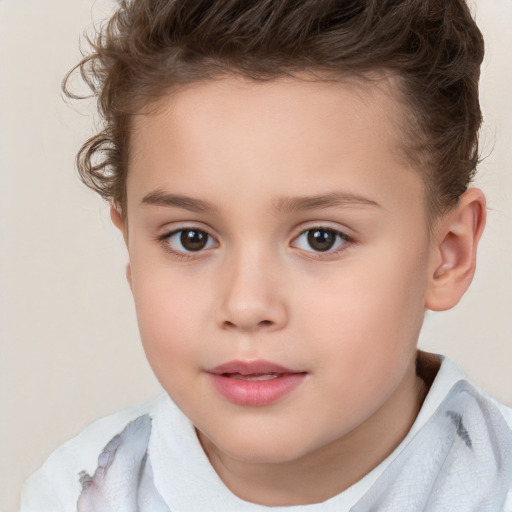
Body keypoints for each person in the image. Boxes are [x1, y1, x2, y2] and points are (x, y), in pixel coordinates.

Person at [20, 0, 512, 510]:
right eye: (191, 238)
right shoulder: (74, 493)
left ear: (447, 254)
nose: (246, 305)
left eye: (322, 238)